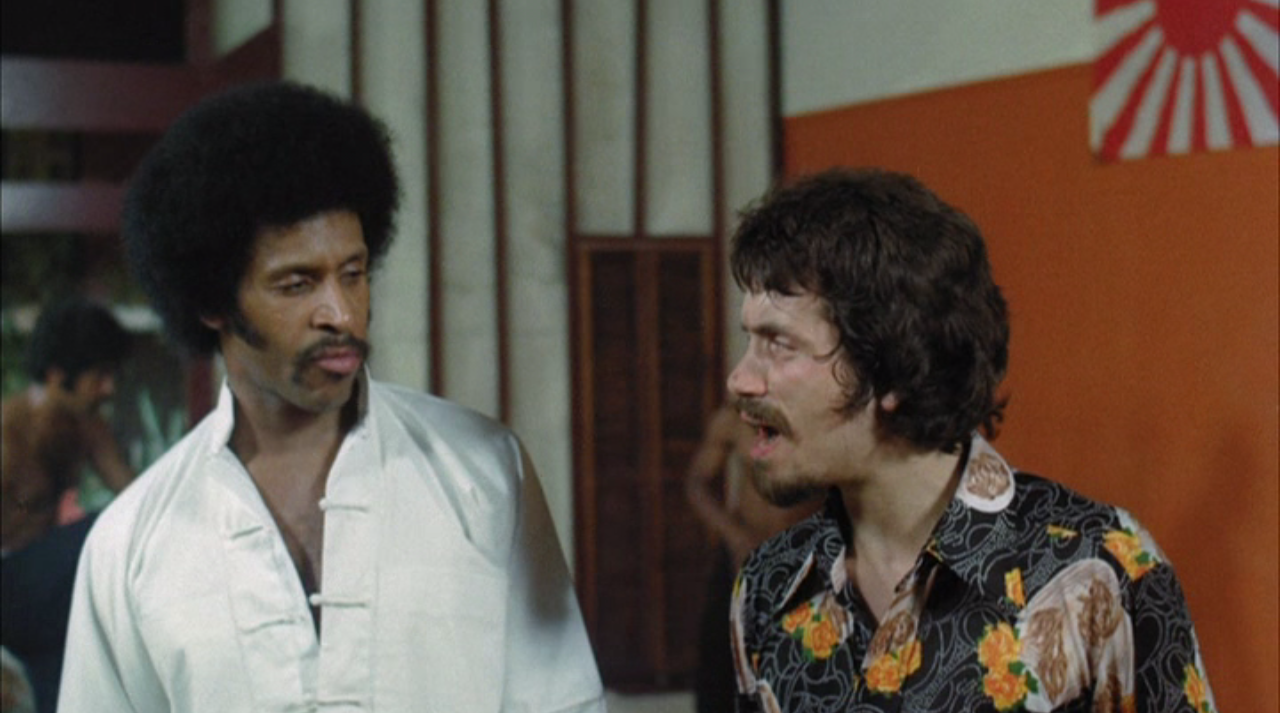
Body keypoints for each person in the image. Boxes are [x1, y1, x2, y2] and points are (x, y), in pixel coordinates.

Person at [58, 81, 605, 712]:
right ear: (212, 301)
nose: (341, 314)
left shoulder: (482, 473)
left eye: (353, 274)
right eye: (297, 284)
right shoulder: (131, 544)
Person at [725, 169, 1216, 712]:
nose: (739, 379)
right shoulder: (769, 587)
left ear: (892, 367)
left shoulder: (1101, 567)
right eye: (749, 340)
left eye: (779, 344)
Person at [1, 296, 134, 713]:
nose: (109, 389)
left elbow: (136, 497)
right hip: (10, 590)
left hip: (46, 608)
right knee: (98, 530)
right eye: (100, 376)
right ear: (59, 377)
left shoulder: (87, 427)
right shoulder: (8, 433)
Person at [685, 405, 819, 713]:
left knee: (801, 668)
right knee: (720, 668)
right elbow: (697, 483)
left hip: (803, 559)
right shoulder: (733, 421)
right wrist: (733, 535)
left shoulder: (816, 419)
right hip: (743, 554)